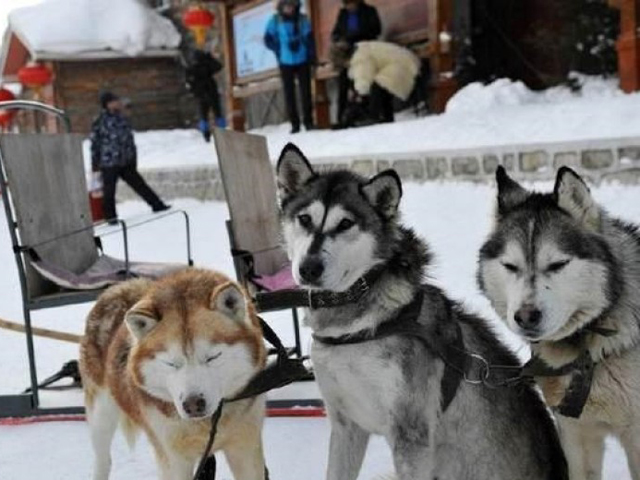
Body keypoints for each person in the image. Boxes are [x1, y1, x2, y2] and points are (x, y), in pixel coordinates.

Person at [90, 91, 170, 224]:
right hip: (109, 162)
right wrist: (95, 164)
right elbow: (95, 143)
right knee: (109, 191)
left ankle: (157, 205)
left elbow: (129, 140)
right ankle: (111, 217)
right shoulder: (100, 121)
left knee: (140, 184)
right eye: (114, 101)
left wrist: (133, 158)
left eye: (117, 100)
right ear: (107, 104)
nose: (117, 102)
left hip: (125, 161)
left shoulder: (121, 118)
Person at [264, 0, 315, 134]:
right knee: (289, 94)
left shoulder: (302, 19)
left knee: (306, 92)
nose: (289, 9)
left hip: (302, 59)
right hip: (285, 61)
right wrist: (278, 49)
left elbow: (310, 38)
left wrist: (311, 55)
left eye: (292, 6)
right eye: (287, 6)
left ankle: (308, 121)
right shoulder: (275, 20)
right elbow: (267, 39)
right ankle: (295, 124)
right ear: (281, 7)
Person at [331, 0, 382, 126]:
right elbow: (335, 33)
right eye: (347, 4)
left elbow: (376, 30)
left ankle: (368, 112)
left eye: (351, 3)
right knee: (342, 80)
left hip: (364, 49)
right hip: (347, 52)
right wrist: (339, 41)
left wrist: (353, 37)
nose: (349, 6)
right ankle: (341, 117)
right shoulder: (343, 14)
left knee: (364, 79)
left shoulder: (369, 11)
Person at [185, 49, 226, 142]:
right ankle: (223, 132)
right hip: (211, 92)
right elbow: (218, 66)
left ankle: (205, 134)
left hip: (200, 95)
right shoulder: (206, 64)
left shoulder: (191, 68)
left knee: (203, 115)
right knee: (218, 113)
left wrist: (193, 92)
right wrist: (210, 58)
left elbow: (188, 83)